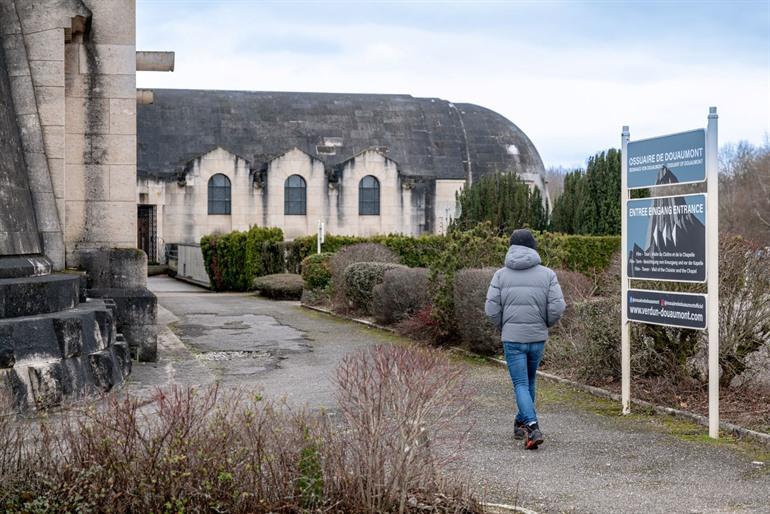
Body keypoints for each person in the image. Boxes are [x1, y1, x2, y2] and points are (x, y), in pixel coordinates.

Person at [485, 228, 566, 450]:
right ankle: (520, 423)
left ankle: (531, 426)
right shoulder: (548, 274)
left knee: (521, 383)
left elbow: (491, 309)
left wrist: (504, 326)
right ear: (533, 248)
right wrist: (545, 323)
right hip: (537, 338)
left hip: (512, 339)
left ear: (511, 247)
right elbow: (558, 306)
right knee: (529, 380)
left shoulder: (500, 275)